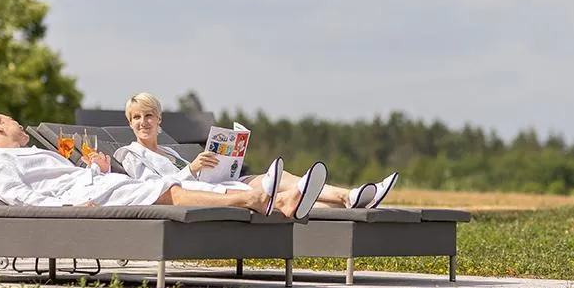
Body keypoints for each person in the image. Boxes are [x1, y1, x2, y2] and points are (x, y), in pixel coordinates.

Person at [0, 109, 326, 219]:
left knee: (175, 190)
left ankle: (279, 200)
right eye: (9, 120)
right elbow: (20, 198)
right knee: (167, 192)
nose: (18, 124)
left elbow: (58, 179)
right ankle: (256, 200)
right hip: (85, 199)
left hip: (94, 186)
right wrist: (67, 207)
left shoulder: (27, 154)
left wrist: (95, 170)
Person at [116, 93, 399, 209]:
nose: (144, 122)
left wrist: (223, 163)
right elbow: (152, 189)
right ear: (130, 123)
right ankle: (341, 201)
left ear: (159, 120)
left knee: (282, 176)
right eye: (137, 118)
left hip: (218, 182)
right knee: (274, 192)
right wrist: (192, 168)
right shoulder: (129, 155)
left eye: (149, 116)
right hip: (202, 192)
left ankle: (348, 196)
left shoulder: (170, 151)